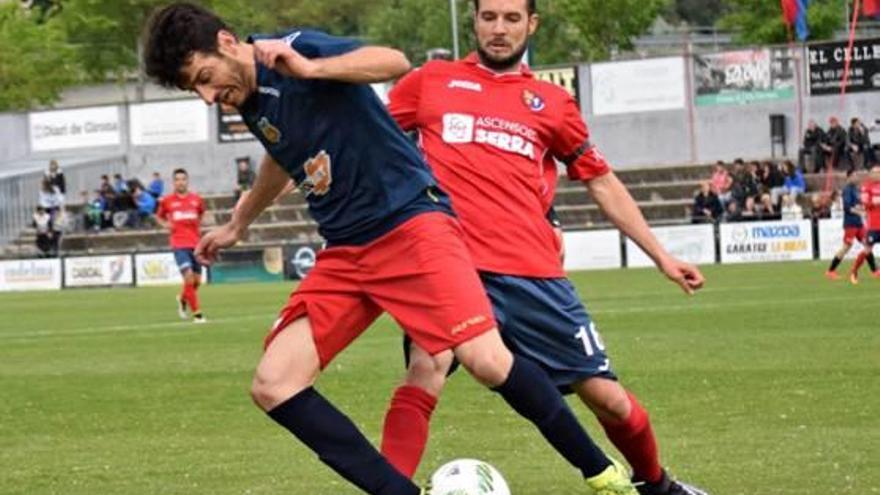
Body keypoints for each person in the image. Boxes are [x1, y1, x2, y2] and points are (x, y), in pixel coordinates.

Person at [143, 3, 637, 494]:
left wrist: (315, 69)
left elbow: (393, 61)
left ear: (228, 43)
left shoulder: (295, 51)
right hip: (347, 252)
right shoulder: (249, 99)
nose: (208, 96)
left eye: (205, 76)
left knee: (486, 359)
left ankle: (603, 475)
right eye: (196, 89)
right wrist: (238, 224)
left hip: (411, 225)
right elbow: (281, 154)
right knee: (274, 383)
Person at [381, 1, 708, 494]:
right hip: (450, 265)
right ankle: (388, 488)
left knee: (608, 399)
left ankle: (657, 486)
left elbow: (599, 180)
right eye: (489, 16)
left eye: (512, 18)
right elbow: (369, 140)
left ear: (531, 25)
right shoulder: (431, 81)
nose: (498, 28)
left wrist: (661, 255)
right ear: (474, 20)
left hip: (533, 274)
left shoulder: (550, 102)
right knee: (426, 366)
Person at [155, 168, 206, 323]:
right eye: (177, 179)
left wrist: (198, 226)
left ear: (187, 181)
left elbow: (202, 213)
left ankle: (183, 299)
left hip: (196, 244)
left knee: (196, 281)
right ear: (174, 182)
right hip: (179, 244)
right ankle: (198, 315)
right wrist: (165, 225)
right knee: (189, 277)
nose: (180, 182)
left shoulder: (196, 199)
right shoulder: (167, 201)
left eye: (183, 179)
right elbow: (159, 216)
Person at [826, 170, 868, 280]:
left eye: (857, 175)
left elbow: (858, 203)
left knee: (867, 244)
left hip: (859, 223)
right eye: (854, 175)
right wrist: (859, 211)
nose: (856, 177)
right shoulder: (847, 190)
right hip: (850, 223)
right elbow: (847, 207)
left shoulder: (856, 189)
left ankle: (875, 270)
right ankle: (830, 271)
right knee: (846, 247)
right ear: (849, 177)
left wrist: (862, 208)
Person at [849, 164, 880, 284]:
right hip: (874, 225)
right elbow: (865, 204)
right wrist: (875, 202)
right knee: (867, 250)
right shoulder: (866, 187)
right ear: (871, 174)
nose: (878, 175)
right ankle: (854, 271)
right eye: (875, 172)